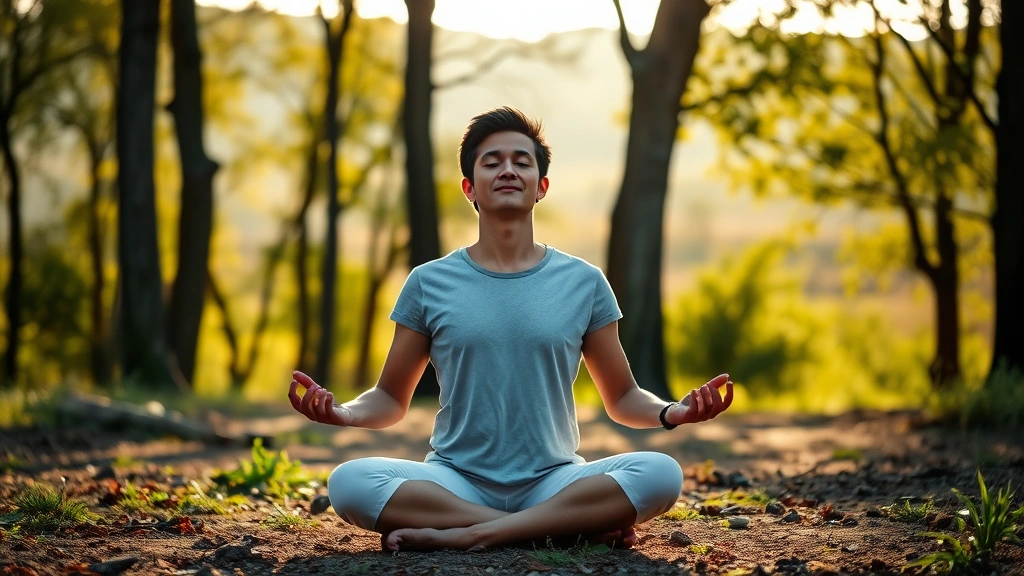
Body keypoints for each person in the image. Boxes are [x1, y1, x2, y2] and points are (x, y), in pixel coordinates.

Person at [287, 107, 734, 553]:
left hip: (555, 479)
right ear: (470, 188)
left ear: (541, 187)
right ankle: (556, 528)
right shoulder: (428, 282)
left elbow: (621, 398)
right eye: (492, 161)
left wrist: (671, 412)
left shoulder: (584, 282)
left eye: (522, 161)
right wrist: (345, 413)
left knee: (661, 473)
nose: (508, 170)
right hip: (454, 480)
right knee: (349, 482)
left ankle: (474, 534)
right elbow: (389, 398)